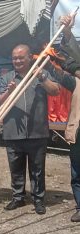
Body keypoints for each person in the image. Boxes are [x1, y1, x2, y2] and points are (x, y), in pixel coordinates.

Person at [0, 44, 60, 215]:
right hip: (13, 131)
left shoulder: (40, 74)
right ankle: (18, 197)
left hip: (37, 131)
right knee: (15, 167)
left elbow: (56, 91)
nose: (17, 60)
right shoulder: (7, 77)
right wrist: (8, 92)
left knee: (37, 168)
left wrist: (42, 77)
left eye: (20, 57)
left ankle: (38, 199)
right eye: (14, 58)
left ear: (30, 57)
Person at [45, 14, 80, 222]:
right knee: (77, 172)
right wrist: (47, 66)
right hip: (77, 132)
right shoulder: (76, 81)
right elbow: (65, 71)